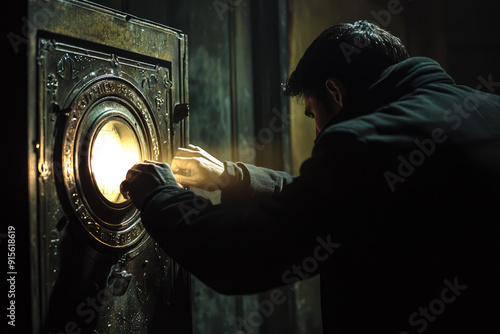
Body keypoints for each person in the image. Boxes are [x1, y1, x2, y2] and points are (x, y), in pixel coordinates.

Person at [120, 20, 500, 333]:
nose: (318, 131)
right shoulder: (484, 108)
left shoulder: (363, 142)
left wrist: (161, 197)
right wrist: (231, 177)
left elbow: (242, 254)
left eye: (312, 113)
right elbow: (345, 203)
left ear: (334, 92)